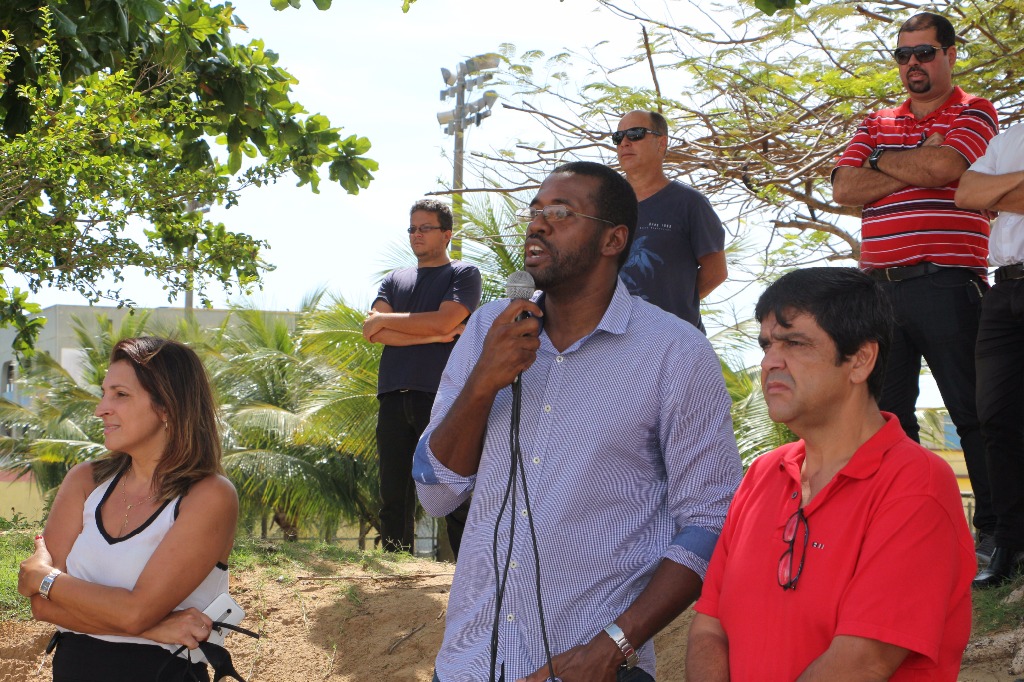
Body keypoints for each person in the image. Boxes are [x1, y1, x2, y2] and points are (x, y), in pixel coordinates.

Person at [413, 161, 741, 681]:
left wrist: (614, 646)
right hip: (468, 665)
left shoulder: (676, 354)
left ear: (613, 240)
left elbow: (710, 519)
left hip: (594, 669)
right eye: (536, 211)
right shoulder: (486, 332)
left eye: (561, 213)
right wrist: (482, 381)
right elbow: (436, 493)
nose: (538, 224)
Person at [687, 267, 975, 681]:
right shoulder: (763, 474)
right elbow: (710, 624)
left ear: (860, 359)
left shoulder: (916, 483)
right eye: (767, 345)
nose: (770, 362)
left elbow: (862, 663)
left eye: (795, 343)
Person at [831, 12, 999, 558]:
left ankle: (997, 535)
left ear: (950, 54)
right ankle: (913, 539)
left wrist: (886, 163)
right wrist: (910, 162)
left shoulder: (976, 111)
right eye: (903, 56)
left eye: (924, 53)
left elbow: (947, 166)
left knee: (974, 413)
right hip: (879, 291)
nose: (912, 65)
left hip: (949, 281)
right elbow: (844, 188)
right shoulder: (876, 120)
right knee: (887, 421)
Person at [18, 337, 239, 681]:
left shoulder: (208, 496)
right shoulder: (85, 482)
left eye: (120, 395)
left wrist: (44, 577)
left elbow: (135, 611)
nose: (101, 408)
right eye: (105, 393)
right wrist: (156, 629)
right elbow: (41, 605)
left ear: (167, 406)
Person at [363, 198, 482, 556]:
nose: (416, 234)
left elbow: (446, 319)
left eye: (425, 228)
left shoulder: (463, 274)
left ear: (446, 234)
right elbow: (372, 329)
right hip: (392, 394)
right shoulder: (394, 278)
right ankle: (395, 569)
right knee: (392, 492)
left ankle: (465, 572)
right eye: (412, 228)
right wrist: (432, 334)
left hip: (441, 395)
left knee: (452, 485)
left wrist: (394, 322)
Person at [955, 123, 1024, 587]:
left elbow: (988, 195)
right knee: (994, 417)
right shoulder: (1011, 136)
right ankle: (1011, 542)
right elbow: (967, 193)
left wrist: (998, 192)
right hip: (1006, 290)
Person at [614, 110, 727, 334]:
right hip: (613, 341)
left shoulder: (689, 203)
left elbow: (716, 272)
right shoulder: (603, 206)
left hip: (675, 340)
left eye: (635, 134)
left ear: (661, 143)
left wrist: (675, 302)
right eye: (618, 137)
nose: (624, 142)